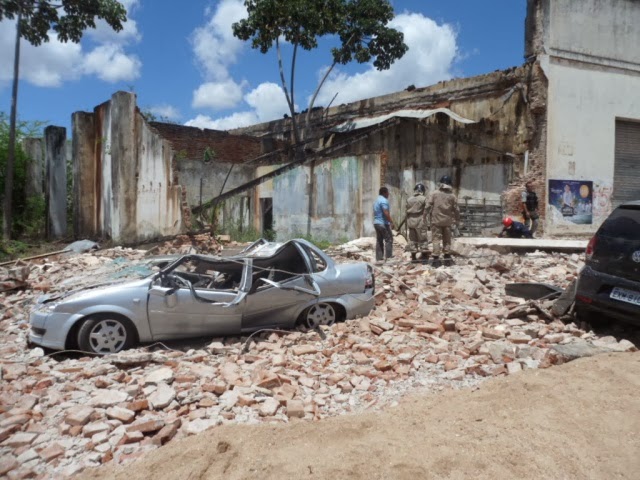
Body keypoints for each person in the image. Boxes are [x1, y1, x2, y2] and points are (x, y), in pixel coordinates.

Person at [426, 175, 460, 266]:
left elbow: (428, 206)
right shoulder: (452, 196)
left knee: (436, 239)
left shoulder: (434, 194)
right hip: (447, 221)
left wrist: (424, 216)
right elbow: (456, 209)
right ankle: (447, 259)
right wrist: (457, 220)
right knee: (447, 240)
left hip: (436, 221)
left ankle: (436, 260)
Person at [405, 183, 429, 261]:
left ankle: (414, 258)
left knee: (412, 239)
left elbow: (406, 210)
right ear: (422, 191)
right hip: (420, 219)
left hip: (410, 220)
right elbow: (427, 208)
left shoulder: (409, 199)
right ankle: (424, 257)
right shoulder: (424, 199)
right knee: (423, 238)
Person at [373, 186, 394, 263]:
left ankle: (379, 258)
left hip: (376, 223)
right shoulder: (383, 201)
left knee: (379, 240)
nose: (388, 194)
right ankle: (389, 257)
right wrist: (391, 222)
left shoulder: (376, 201)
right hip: (383, 223)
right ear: (384, 193)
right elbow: (386, 212)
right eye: (387, 192)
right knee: (389, 239)